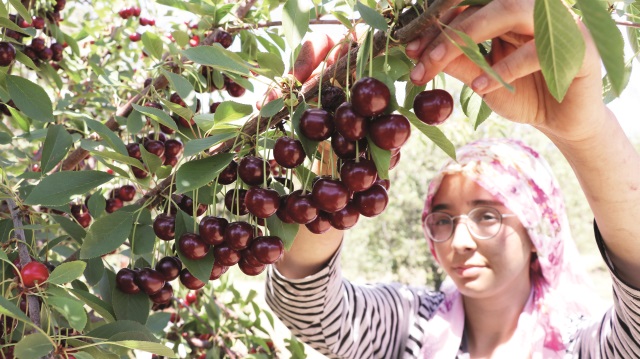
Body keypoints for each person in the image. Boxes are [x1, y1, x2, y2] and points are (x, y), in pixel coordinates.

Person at [265, 0, 640, 357]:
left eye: (487, 216)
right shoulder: (411, 326)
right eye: (441, 219)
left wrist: (586, 133)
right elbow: (308, 307)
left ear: (537, 231)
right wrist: (337, 145)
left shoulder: (580, 345)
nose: (458, 242)